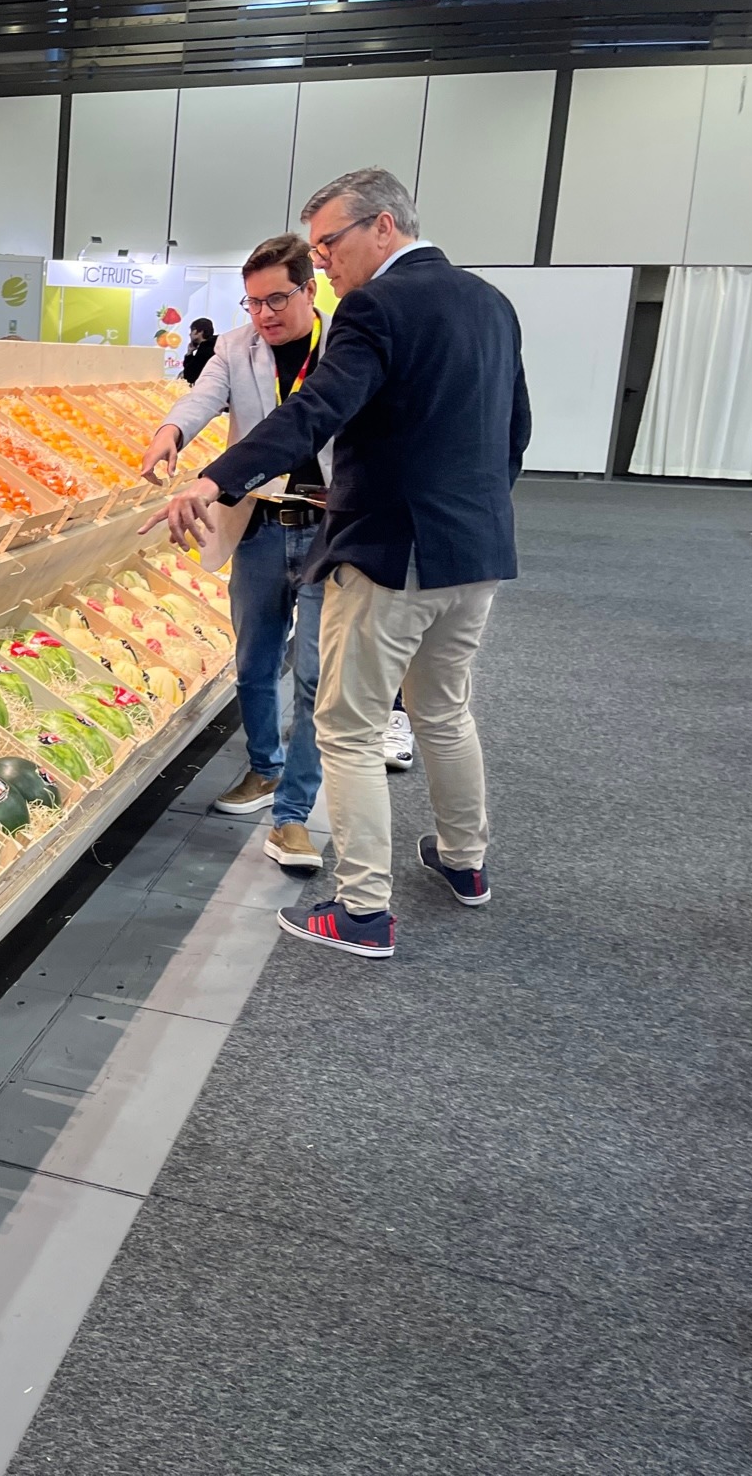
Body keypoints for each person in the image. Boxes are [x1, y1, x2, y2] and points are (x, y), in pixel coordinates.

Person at [151, 167, 530, 959]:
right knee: (444, 710)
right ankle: (466, 862)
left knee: (349, 728)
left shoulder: (374, 306)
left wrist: (215, 480)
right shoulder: (490, 302)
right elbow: (514, 431)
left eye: (330, 243)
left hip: (393, 553)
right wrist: (471, 512)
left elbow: (316, 411)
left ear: (383, 226)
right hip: (479, 552)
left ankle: (363, 909)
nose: (323, 260)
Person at [143, 234, 330, 871]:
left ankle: (295, 811)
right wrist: (172, 430)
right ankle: (265, 769)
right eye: (252, 303)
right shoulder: (235, 345)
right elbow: (203, 396)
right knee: (252, 658)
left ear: (310, 289)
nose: (264, 315)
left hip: (330, 529)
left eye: (277, 298)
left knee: (312, 674)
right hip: (258, 523)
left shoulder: (345, 349)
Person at [180, 319, 216, 384]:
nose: (190, 334)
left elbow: (189, 376)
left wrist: (189, 353)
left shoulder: (205, 349)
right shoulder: (215, 345)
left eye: (191, 331)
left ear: (199, 332)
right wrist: (190, 353)